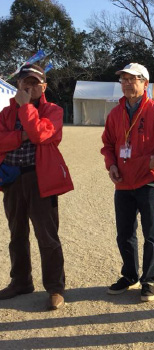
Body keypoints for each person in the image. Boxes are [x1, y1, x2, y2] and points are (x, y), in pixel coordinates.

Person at [101, 63, 154, 302]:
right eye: (124, 79)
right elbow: (108, 144)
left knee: (151, 234)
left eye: (133, 79)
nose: (127, 83)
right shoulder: (115, 113)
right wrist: (111, 165)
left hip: (149, 181)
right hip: (123, 182)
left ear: (145, 83)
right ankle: (130, 276)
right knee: (124, 233)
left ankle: (148, 279)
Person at [0, 64, 73, 310]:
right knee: (16, 234)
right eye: (25, 83)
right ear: (18, 85)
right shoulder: (5, 113)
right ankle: (21, 281)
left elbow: (41, 134)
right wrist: (21, 136)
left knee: (47, 236)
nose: (29, 87)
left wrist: (25, 108)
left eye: (34, 83)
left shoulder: (53, 110)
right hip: (12, 179)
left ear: (44, 87)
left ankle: (55, 287)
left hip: (40, 178)